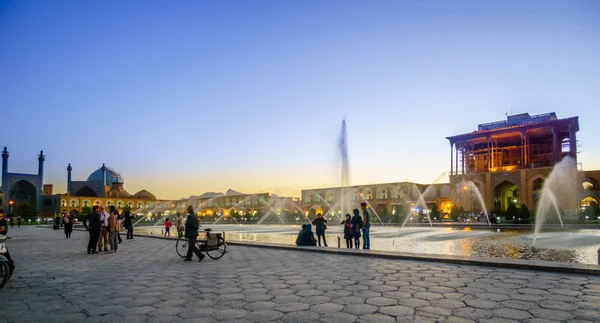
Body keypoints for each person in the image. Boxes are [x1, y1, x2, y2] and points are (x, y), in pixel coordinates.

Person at [0, 209, 15, 278]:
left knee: (6, 256)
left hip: (0, 240)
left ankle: (10, 270)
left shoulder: (3, 221)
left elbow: (3, 231)